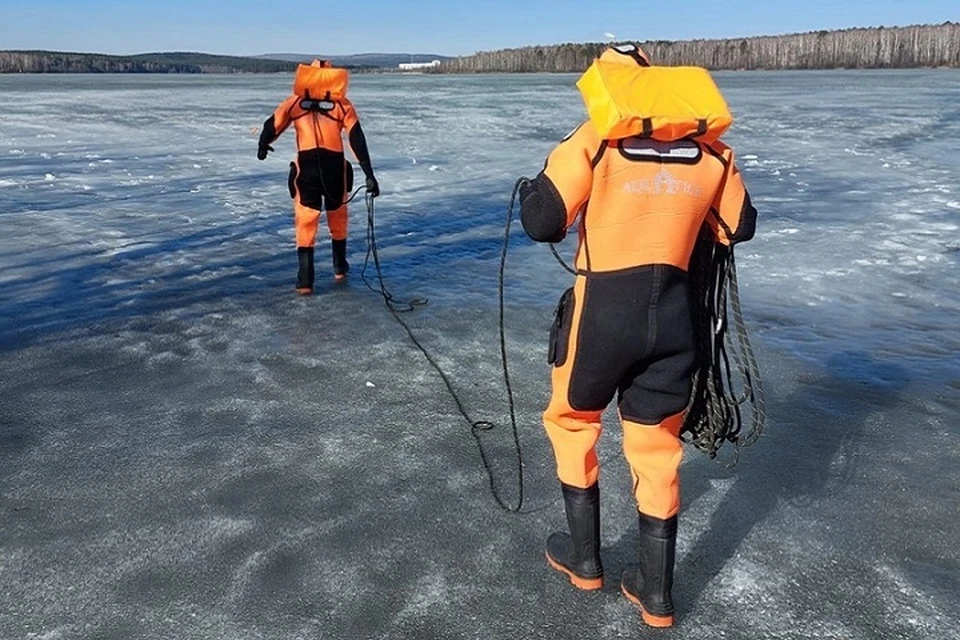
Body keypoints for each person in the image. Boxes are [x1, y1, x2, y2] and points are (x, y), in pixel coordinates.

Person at [519, 44, 757, 628]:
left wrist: (534, 184)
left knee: (573, 421)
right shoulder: (713, 156)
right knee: (656, 448)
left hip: (599, 319)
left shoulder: (594, 142)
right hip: (675, 323)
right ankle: (657, 595)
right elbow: (740, 227)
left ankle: (585, 561)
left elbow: (541, 221)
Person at [257, 59, 380, 295]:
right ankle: (340, 268)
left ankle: (305, 280)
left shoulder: (295, 103)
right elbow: (357, 138)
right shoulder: (342, 105)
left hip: (307, 169)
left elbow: (272, 125)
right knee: (338, 218)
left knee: (305, 221)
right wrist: (369, 173)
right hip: (336, 169)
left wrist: (263, 145)